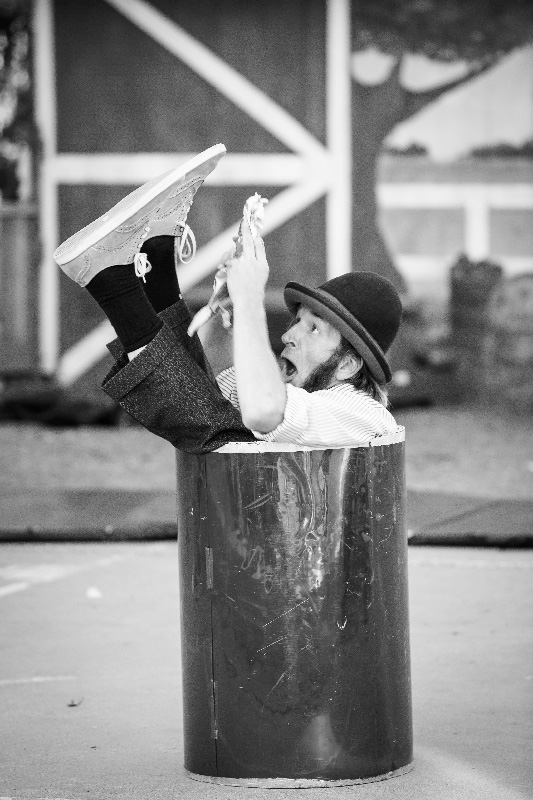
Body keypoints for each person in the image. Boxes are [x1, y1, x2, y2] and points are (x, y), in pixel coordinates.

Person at [54, 145, 403, 453]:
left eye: (313, 330)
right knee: (209, 410)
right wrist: (238, 310)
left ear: (347, 365)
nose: (287, 335)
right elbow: (206, 396)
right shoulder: (295, 388)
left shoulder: (362, 415)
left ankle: (113, 281)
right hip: (255, 523)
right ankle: (153, 254)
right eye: (297, 321)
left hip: (307, 528)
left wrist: (251, 299)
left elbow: (260, 411)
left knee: (222, 431)